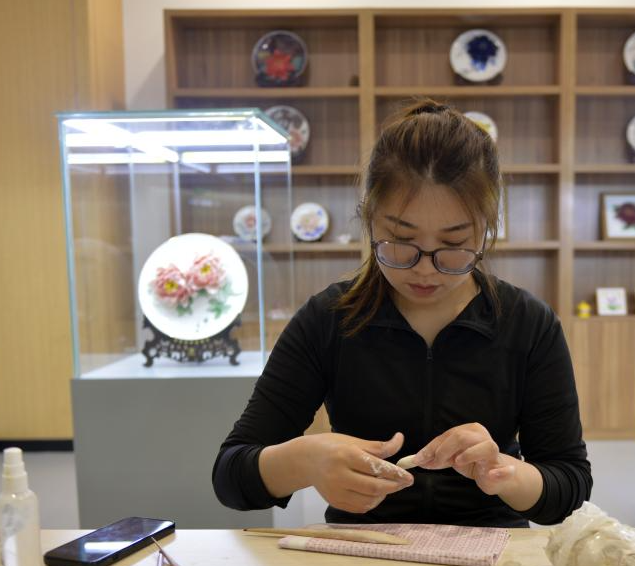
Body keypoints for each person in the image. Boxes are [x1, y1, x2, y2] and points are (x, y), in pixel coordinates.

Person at [213, 98, 591, 527]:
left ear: (487, 229)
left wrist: (504, 472)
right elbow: (231, 476)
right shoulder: (329, 318)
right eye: (400, 241)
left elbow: (569, 483)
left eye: (453, 245)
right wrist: (307, 460)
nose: (425, 269)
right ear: (369, 220)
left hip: (494, 549)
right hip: (363, 550)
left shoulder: (528, 324)